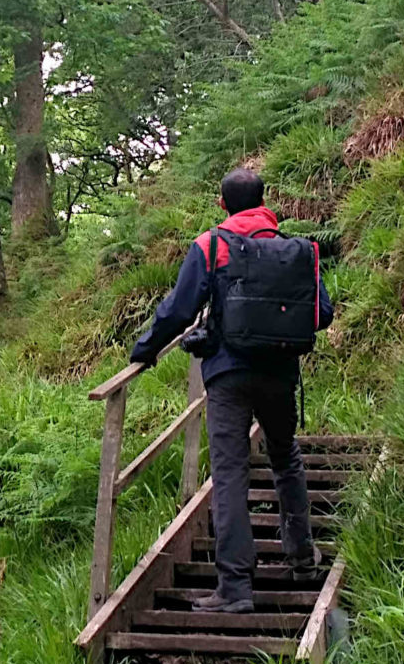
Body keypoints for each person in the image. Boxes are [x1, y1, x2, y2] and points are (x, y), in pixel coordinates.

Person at [130, 169, 334, 613]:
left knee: (229, 474)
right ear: (264, 201)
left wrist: (143, 351)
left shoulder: (211, 245)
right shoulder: (295, 251)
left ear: (223, 204)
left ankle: (235, 589)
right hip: (280, 374)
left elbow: (179, 310)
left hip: (227, 375)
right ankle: (302, 560)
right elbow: (322, 314)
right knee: (285, 457)